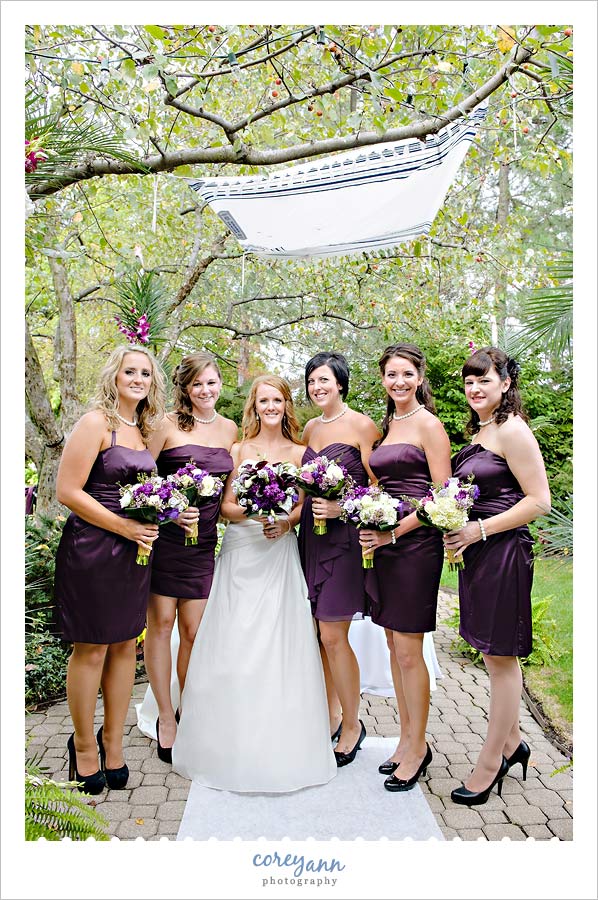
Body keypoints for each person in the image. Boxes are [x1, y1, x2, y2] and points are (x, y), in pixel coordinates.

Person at [172, 375, 337, 792]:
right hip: (242, 552)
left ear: (286, 405)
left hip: (279, 554)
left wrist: (285, 522)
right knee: (235, 639)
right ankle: (226, 733)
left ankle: (281, 732)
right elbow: (226, 507)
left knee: (278, 641)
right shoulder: (238, 449)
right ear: (254, 405)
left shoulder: (301, 452)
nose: (270, 407)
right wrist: (253, 510)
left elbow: (306, 506)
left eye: (277, 400)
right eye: (263, 400)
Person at [54, 345, 166, 793]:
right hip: (94, 549)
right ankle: (82, 746)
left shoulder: (141, 431)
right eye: (130, 371)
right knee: (92, 649)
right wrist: (122, 526)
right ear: (114, 377)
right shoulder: (95, 422)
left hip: (135, 554)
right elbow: (67, 490)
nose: (137, 379)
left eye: (145, 373)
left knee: (124, 647)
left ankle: (113, 744)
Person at [444, 347, 550, 806]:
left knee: (501, 660)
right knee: (490, 654)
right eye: (469, 382)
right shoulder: (484, 429)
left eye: (484, 380)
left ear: (506, 383)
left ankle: (491, 763)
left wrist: (480, 528)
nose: (474, 389)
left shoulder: (513, 430)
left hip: (504, 552)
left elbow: (539, 500)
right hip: (479, 554)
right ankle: (514, 744)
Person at [359, 343, 452, 792]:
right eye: (391, 375)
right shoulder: (388, 424)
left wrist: (394, 533)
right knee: (395, 646)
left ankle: (418, 747)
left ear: (419, 377)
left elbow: (442, 495)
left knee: (411, 651)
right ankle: (406, 737)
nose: (398, 382)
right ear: (383, 379)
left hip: (414, 547)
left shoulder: (429, 425)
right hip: (384, 543)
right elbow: (381, 482)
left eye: (406, 375)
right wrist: (371, 513)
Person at [136, 352, 237, 763]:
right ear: (185, 388)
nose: (205, 391)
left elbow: (234, 486)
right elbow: (142, 479)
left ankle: (191, 708)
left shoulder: (231, 429)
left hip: (203, 545)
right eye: (197, 385)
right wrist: (170, 511)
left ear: (219, 384)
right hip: (164, 541)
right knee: (160, 626)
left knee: (194, 631)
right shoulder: (165, 424)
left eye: (211, 383)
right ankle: (165, 716)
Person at [298, 352, 380, 766]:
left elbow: (379, 490)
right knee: (318, 636)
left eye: (325, 379)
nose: (318, 387)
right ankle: (331, 716)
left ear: (341, 383)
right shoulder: (310, 428)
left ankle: (353, 724)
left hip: (344, 543)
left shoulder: (363, 425)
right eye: (312, 380)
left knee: (333, 635)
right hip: (310, 540)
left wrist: (341, 508)